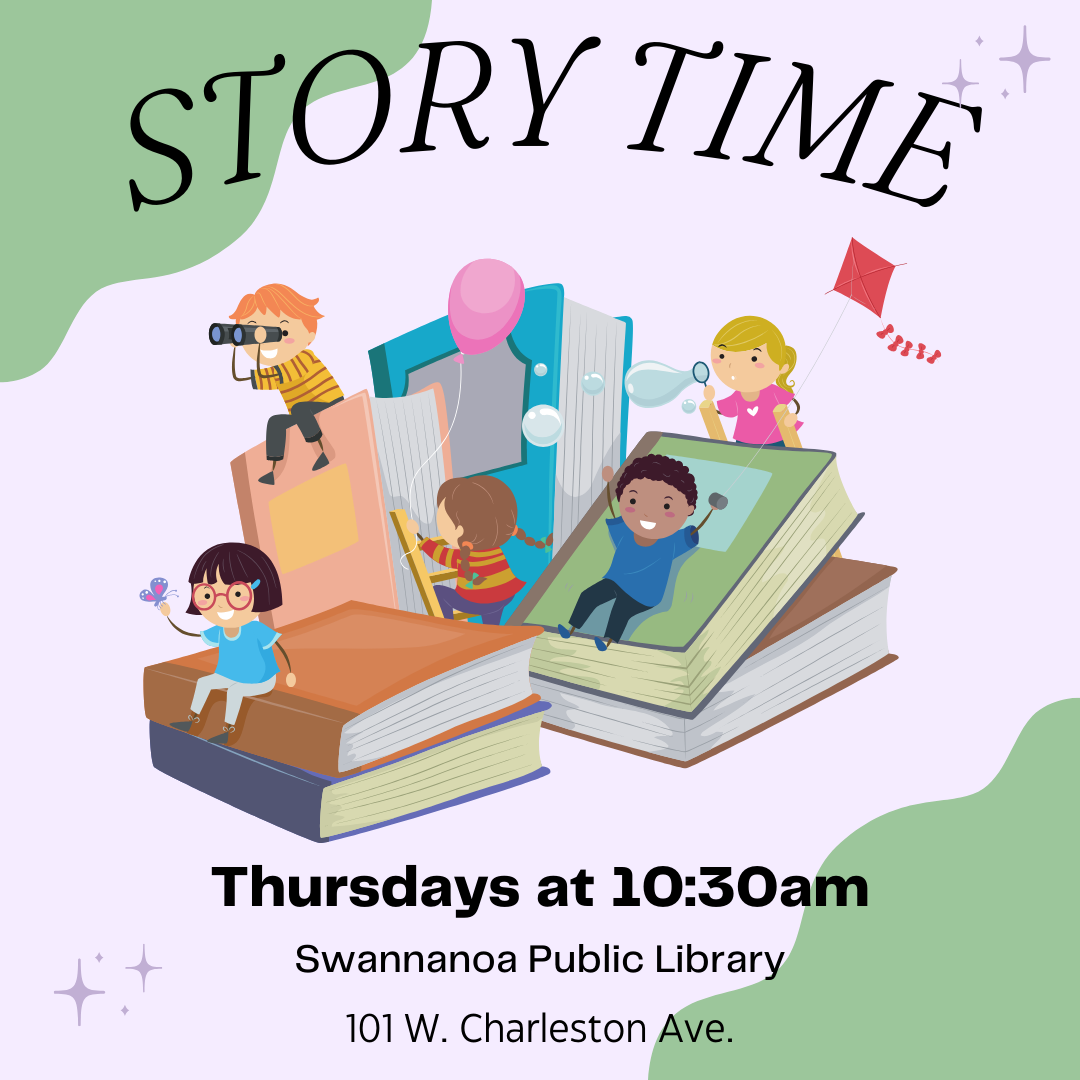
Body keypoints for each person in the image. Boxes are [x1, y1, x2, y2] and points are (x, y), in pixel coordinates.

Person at [558, 454, 719, 651]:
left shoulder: (673, 542)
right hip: (615, 580)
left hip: (644, 595)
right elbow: (612, 509)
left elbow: (693, 533)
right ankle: (571, 627)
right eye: (634, 500)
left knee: (620, 612)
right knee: (588, 596)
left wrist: (711, 511)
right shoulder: (625, 531)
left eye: (666, 506)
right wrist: (609, 484)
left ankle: (607, 641)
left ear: (688, 509)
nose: (647, 513)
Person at [158, 542, 296, 745]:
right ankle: (192, 720)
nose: (220, 603)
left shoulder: (256, 630)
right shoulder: (220, 630)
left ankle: (229, 730)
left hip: (260, 679)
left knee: (236, 691)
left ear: (260, 591)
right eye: (207, 595)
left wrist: (290, 672)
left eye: (236, 594)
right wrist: (169, 617)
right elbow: (189, 633)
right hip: (228, 674)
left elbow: (280, 649)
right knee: (204, 682)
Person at [227, 283, 344, 484]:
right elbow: (265, 379)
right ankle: (274, 471)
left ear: (309, 334)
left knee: (299, 409)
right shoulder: (277, 370)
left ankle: (325, 450)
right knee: (276, 422)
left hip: (330, 403)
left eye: (284, 329)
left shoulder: (304, 357)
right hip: (305, 413)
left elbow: (283, 374)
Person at [405, 477, 551, 625]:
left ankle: (450, 626)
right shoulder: (497, 550)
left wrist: (422, 539)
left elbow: (440, 555)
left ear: (459, 530)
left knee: (438, 591)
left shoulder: (461, 557)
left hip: (477, 602)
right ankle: (492, 632)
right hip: (504, 597)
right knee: (492, 610)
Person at [700, 315, 804, 446]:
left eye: (754, 358)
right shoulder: (737, 396)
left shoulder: (773, 393)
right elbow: (726, 411)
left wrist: (791, 419)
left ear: (782, 367)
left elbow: (792, 407)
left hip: (775, 441)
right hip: (744, 441)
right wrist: (709, 401)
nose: (734, 366)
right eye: (722, 356)